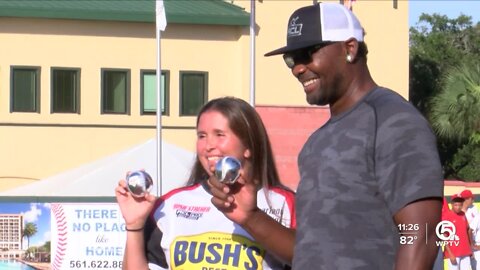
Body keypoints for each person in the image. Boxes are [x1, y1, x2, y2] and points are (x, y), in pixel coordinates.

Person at [209, 2, 444, 269]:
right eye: (292, 59)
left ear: (349, 48)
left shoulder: (393, 120)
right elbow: (311, 252)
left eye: (308, 54)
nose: (298, 68)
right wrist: (250, 216)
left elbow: (420, 234)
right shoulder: (317, 142)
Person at [115, 97, 296, 270]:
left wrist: (253, 219)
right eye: (202, 136)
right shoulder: (169, 205)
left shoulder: (285, 203)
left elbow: (313, 258)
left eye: (219, 134)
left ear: (248, 146)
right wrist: (135, 225)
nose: (208, 145)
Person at [443, 194, 473, 270]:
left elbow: (467, 230)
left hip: (465, 251)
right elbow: (444, 236)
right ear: (452, 204)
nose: (458, 207)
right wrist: (450, 254)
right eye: (456, 205)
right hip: (454, 253)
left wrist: (470, 248)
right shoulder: (446, 216)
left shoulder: (463, 214)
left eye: (460, 205)